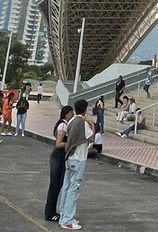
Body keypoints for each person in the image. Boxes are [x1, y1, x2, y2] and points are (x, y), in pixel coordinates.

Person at [59, 98, 94, 230]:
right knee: (74, 189)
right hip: (78, 158)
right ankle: (67, 220)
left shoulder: (72, 121)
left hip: (70, 157)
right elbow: (91, 137)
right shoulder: (82, 123)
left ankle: (64, 216)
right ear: (85, 110)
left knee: (67, 188)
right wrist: (91, 125)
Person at [45, 105, 74, 222]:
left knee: (57, 185)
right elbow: (58, 144)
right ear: (67, 114)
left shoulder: (63, 124)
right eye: (71, 113)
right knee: (55, 186)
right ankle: (49, 213)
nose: (72, 115)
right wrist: (70, 144)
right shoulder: (63, 125)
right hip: (57, 157)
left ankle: (52, 211)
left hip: (60, 158)